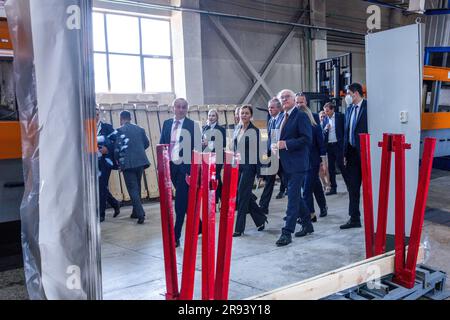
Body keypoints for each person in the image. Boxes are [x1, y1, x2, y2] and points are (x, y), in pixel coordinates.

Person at [159, 98, 201, 247]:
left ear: (187, 109)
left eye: (184, 107)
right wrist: (162, 167)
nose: (181, 109)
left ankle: (175, 236)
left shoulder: (192, 126)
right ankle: (200, 226)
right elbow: (162, 145)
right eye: (178, 107)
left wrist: (191, 170)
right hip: (171, 167)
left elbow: (197, 149)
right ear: (173, 108)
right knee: (186, 201)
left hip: (185, 169)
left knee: (180, 203)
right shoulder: (167, 124)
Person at [274, 89, 312, 247]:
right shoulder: (281, 117)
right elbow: (278, 137)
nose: (284, 99)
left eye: (287, 97)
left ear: (294, 99)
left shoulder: (300, 116)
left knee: (292, 198)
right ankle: (308, 224)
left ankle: (287, 232)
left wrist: (287, 144)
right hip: (284, 164)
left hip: (297, 164)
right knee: (295, 195)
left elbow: (306, 139)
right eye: (281, 98)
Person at [232, 105, 267, 237]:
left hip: (249, 167)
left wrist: (260, 173)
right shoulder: (237, 129)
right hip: (238, 166)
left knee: (241, 196)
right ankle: (260, 219)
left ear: (251, 115)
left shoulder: (255, 131)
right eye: (242, 113)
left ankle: (239, 228)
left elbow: (259, 152)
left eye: (246, 113)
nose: (244, 115)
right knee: (245, 195)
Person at [296, 93, 328, 222]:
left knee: (306, 189)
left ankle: (310, 214)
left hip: (312, 160)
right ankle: (323, 206)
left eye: (301, 102)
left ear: (306, 103)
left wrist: (323, 159)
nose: (299, 105)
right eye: (297, 102)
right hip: (300, 160)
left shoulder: (313, 117)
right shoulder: (294, 118)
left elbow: (320, 140)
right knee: (314, 185)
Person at [341, 83, 368, 230]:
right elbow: (347, 133)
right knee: (353, 188)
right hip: (351, 154)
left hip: (366, 153)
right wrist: (345, 153)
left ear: (355, 93)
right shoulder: (349, 109)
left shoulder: (368, 108)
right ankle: (354, 218)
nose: (347, 97)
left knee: (370, 189)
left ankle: (374, 219)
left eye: (348, 93)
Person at [116, 110, 150, 225]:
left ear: (121, 119)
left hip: (128, 164)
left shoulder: (120, 130)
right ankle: (136, 212)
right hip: (140, 162)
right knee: (137, 187)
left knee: (132, 189)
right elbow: (146, 143)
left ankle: (140, 214)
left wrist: (119, 163)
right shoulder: (140, 129)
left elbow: (117, 149)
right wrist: (138, 151)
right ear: (130, 118)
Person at [259, 98, 286, 215]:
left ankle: (304, 213)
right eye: (269, 107)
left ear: (279, 108)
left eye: (272, 107)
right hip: (273, 156)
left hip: (283, 156)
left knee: (290, 184)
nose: (270, 109)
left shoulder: (283, 119)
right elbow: (269, 138)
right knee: (269, 181)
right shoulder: (271, 121)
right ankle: (263, 207)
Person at [96, 108, 120, 222]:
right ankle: (115, 203)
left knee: (101, 185)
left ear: (98, 114)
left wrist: (107, 149)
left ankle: (101, 214)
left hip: (105, 162)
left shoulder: (107, 127)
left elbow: (116, 142)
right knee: (99, 186)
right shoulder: (85, 127)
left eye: (95, 114)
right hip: (91, 162)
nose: (94, 116)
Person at [202, 109, 226, 204]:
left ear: (216, 117)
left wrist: (210, 143)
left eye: (213, 116)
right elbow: (203, 141)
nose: (211, 117)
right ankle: (222, 197)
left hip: (218, 155)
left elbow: (223, 143)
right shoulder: (205, 128)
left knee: (215, 176)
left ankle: (216, 199)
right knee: (215, 177)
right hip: (208, 155)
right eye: (209, 115)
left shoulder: (221, 129)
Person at [323, 102, 347, 196]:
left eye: (327, 111)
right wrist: (325, 129)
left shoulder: (340, 117)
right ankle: (333, 188)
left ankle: (349, 186)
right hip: (329, 146)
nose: (326, 113)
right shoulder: (325, 119)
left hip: (338, 145)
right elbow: (323, 133)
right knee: (331, 168)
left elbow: (345, 130)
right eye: (325, 111)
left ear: (333, 109)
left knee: (342, 166)